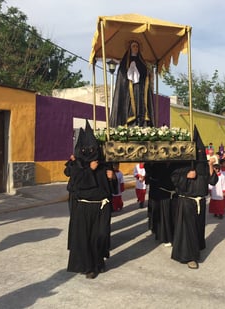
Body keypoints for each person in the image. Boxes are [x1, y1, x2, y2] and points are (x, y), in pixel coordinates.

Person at [67, 120, 117, 279]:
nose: (90, 151)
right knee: (86, 239)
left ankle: (99, 261)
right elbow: (76, 185)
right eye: (87, 149)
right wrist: (89, 170)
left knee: (101, 236)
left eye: (93, 148)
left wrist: (112, 178)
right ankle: (89, 267)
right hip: (84, 208)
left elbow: (112, 190)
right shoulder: (78, 166)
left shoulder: (104, 165)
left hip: (102, 208)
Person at [170, 127, 218, 269]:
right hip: (187, 201)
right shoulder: (183, 164)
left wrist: (210, 166)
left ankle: (196, 250)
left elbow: (212, 181)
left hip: (201, 202)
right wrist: (186, 176)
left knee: (197, 229)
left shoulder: (203, 165)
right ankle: (189, 257)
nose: (199, 154)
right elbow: (174, 179)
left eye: (201, 151)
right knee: (188, 230)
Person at [110, 40, 155, 127]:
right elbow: (122, 76)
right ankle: (130, 124)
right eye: (134, 46)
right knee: (130, 106)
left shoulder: (142, 62)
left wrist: (145, 72)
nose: (135, 48)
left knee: (141, 106)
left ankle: (142, 123)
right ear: (130, 48)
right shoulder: (124, 62)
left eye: (137, 46)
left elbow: (145, 74)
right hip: (128, 90)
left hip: (140, 89)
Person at [145, 162, 177, 246]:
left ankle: (174, 235)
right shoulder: (157, 164)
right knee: (163, 215)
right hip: (161, 191)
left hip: (174, 192)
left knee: (174, 215)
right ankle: (164, 236)